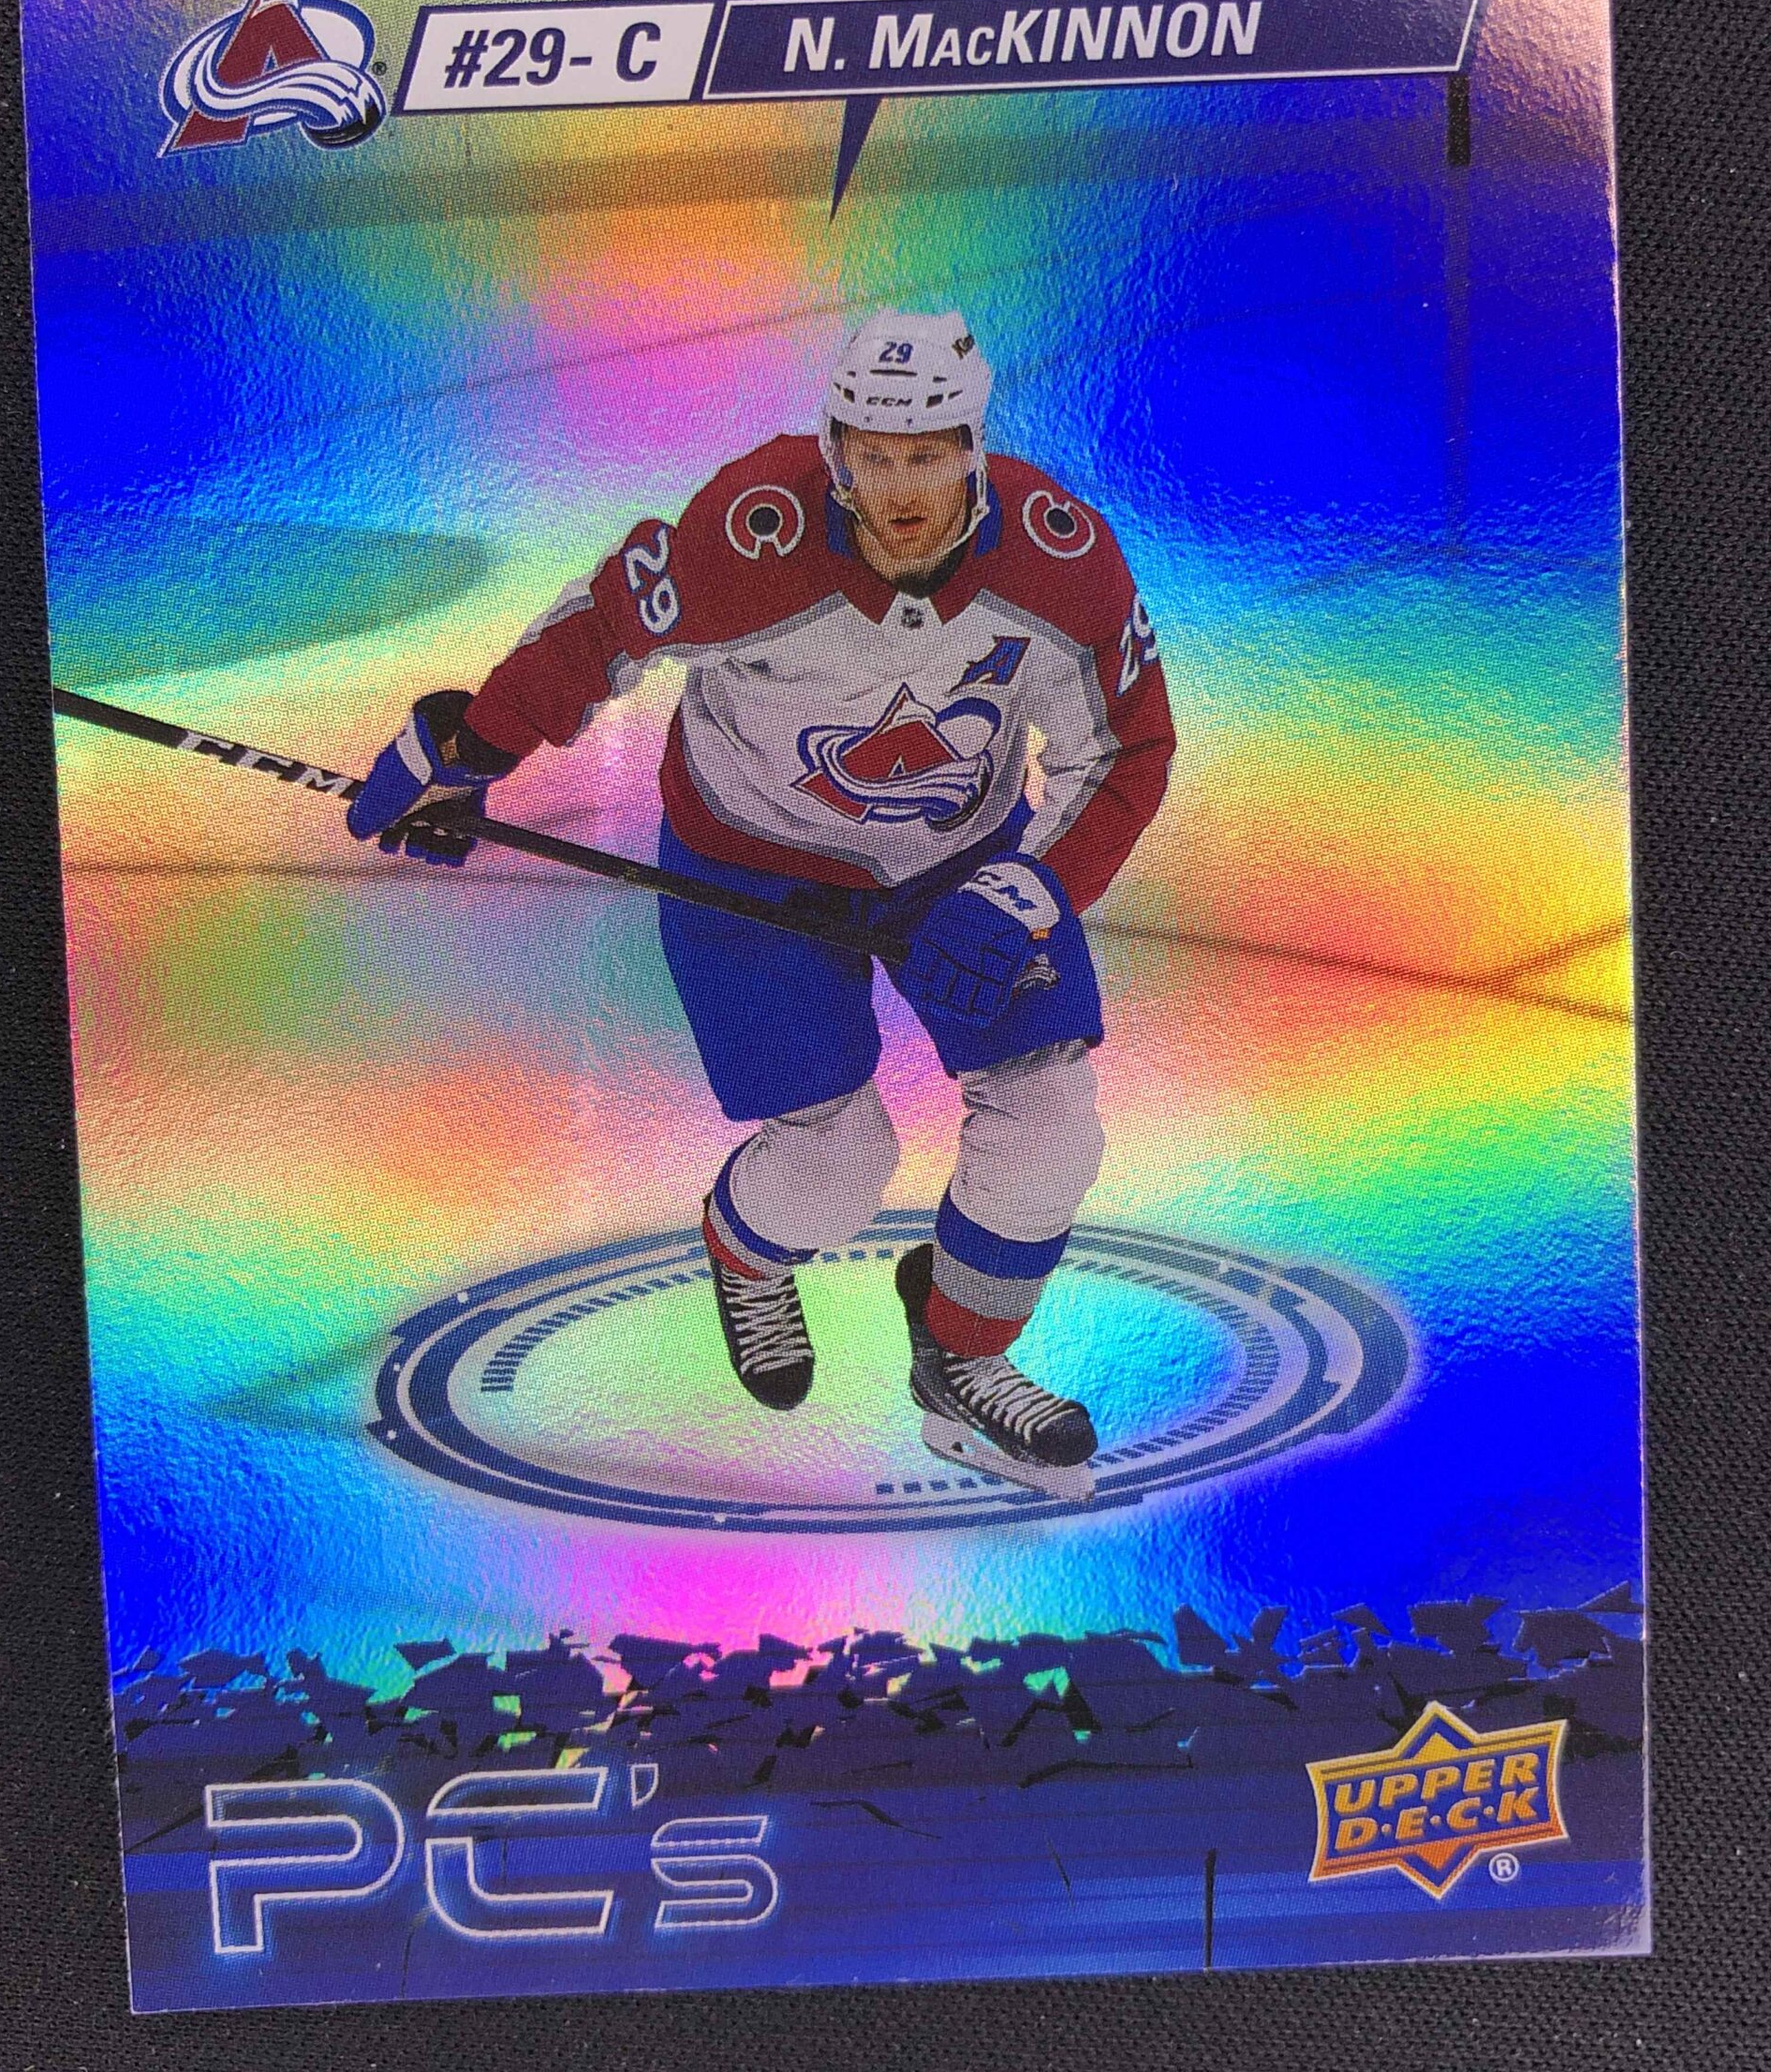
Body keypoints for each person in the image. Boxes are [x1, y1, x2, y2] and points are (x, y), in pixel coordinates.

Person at [347, 309, 1175, 1500]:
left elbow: (1128, 747)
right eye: (872, 455)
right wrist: (475, 743)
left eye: (928, 455)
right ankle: (746, 1256)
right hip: (748, 861)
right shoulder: (754, 529)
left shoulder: (1060, 559)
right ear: (835, 448)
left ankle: (960, 1354)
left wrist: (1025, 886)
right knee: (839, 1158)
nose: (900, 489)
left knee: (1052, 1122)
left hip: (955, 860)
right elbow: (605, 629)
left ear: (974, 449)